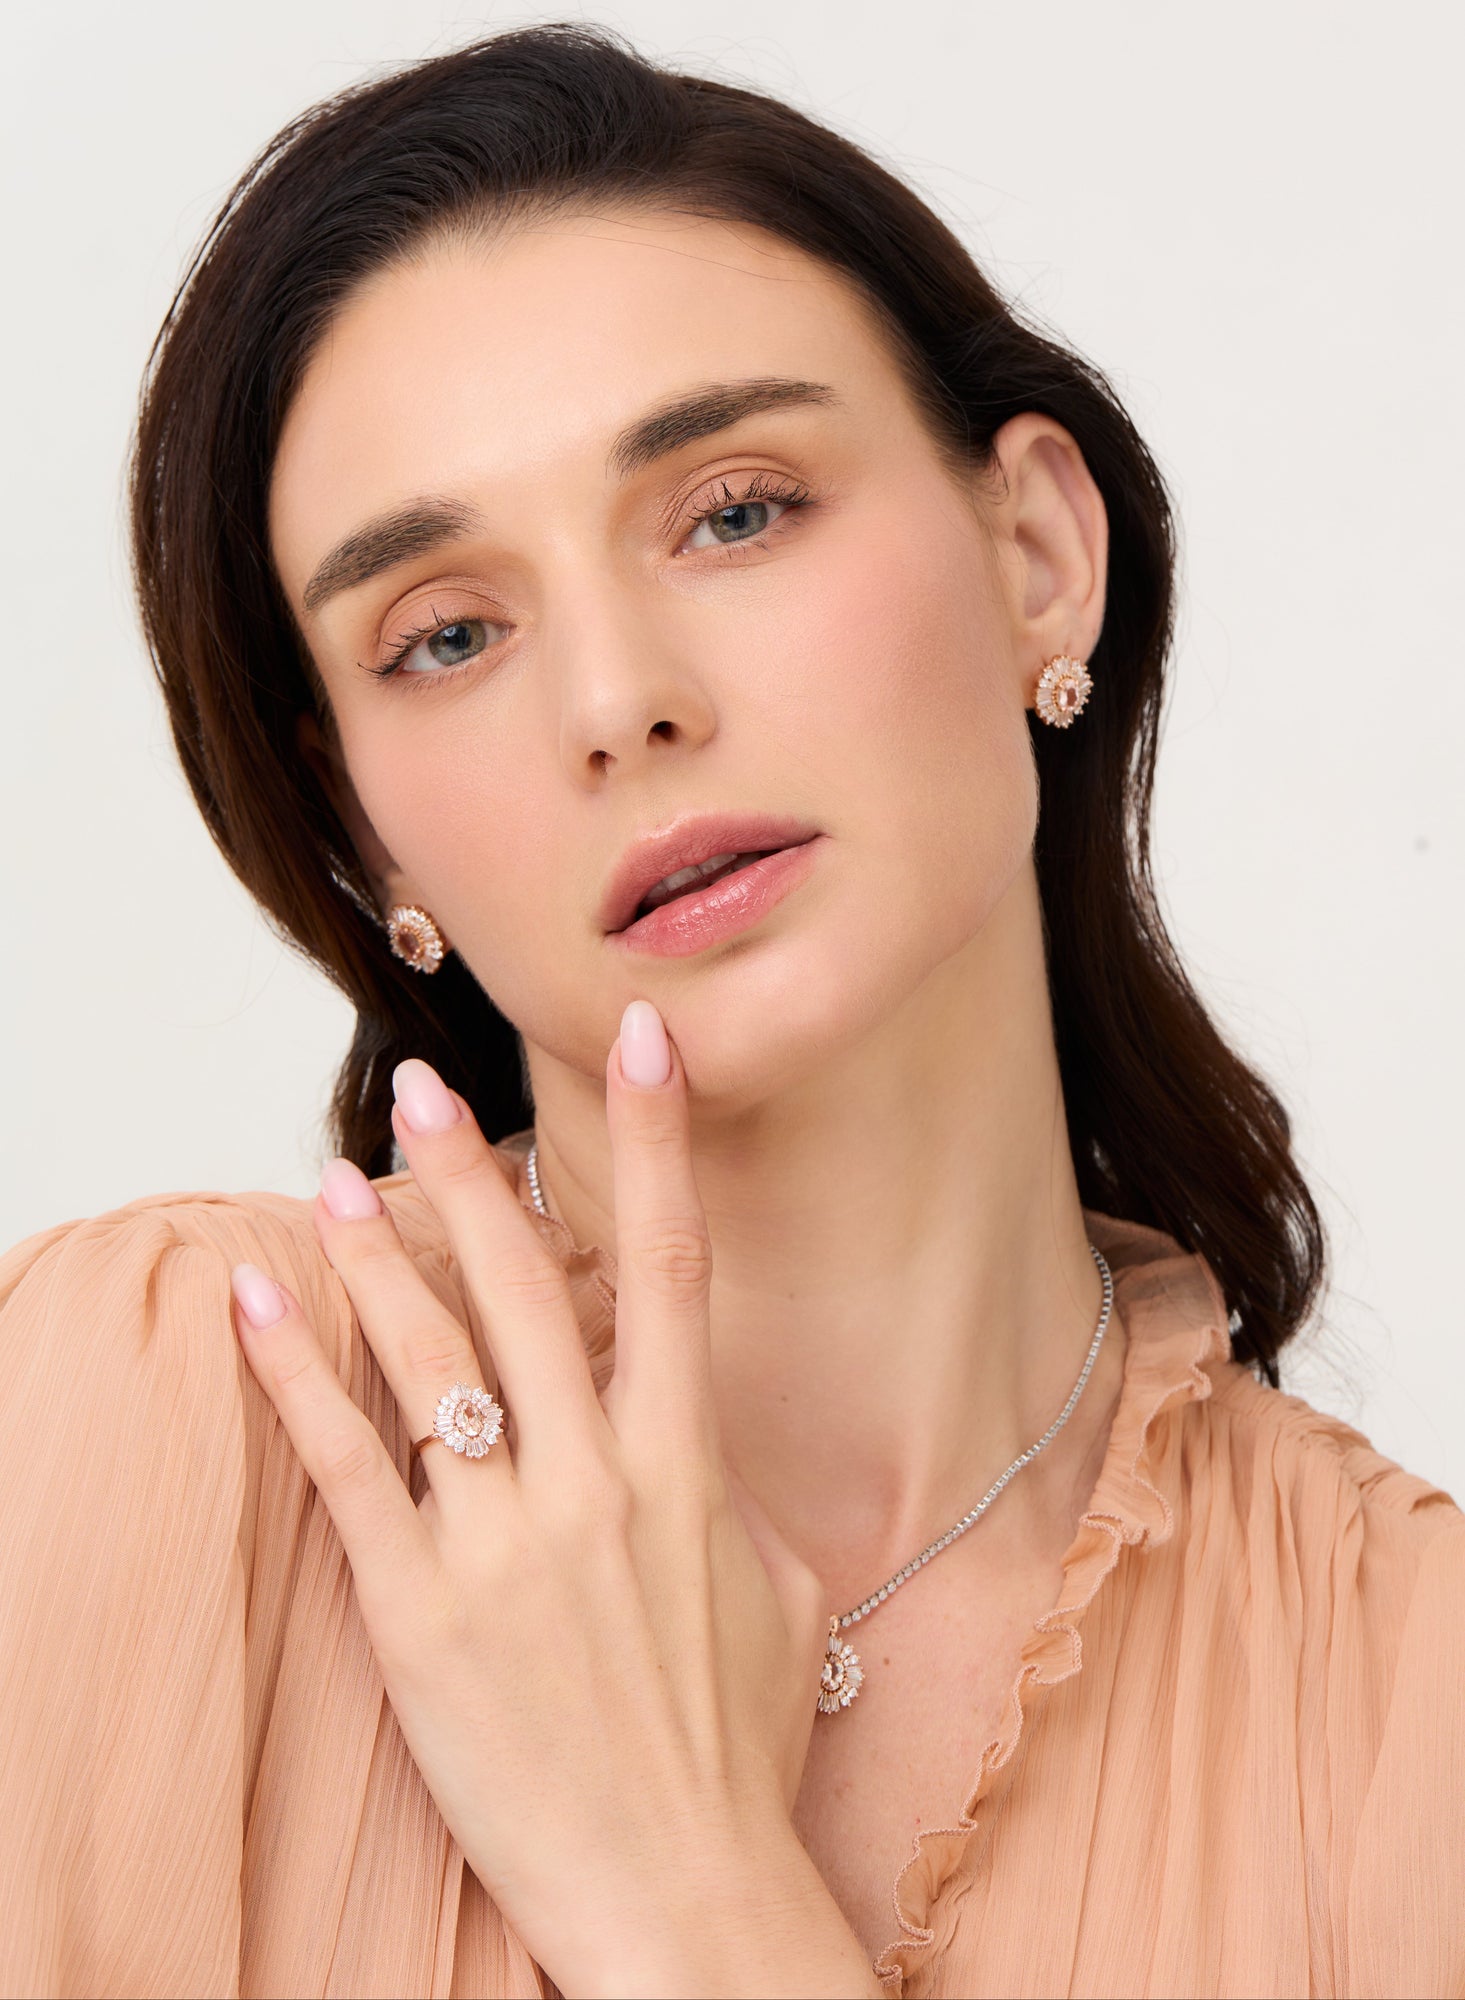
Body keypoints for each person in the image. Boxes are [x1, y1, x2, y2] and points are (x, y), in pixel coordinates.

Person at [1, 22, 1460, 1999]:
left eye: (735, 512)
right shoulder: (143, 1425)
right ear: (358, 825)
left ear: (1037, 557)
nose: (619, 700)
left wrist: (691, 1907)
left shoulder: (1405, 1711)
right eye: (447, 632)